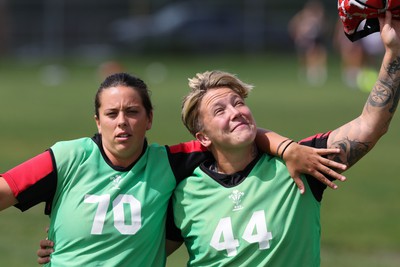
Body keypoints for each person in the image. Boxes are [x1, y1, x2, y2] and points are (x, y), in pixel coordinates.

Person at [0, 72, 344, 266]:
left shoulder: (170, 162)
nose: (123, 123)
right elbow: (6, 189)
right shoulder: (66, 158)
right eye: (112, 114)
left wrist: (286, 148)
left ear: (149, 119)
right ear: (97, 120)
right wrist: (67, 239)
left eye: (133, 112)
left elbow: (235, 136)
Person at [164, 12, 400, 266]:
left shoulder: (301, 164)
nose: (235, 113)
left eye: (239, 103)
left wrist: (394, 51)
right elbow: (143, 251)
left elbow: (369, 125)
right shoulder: (185, 193)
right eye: (220, 111)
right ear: (203, 138)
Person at [288, 0, 328, 86]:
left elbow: (323, 27)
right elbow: (293, 25)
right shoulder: (302, 15)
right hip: (304, 38)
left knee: (319, 53)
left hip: (315, 38)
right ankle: (308, 71)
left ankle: (318, 71)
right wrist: (297, 35)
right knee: (305, 56)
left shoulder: (318, 16)